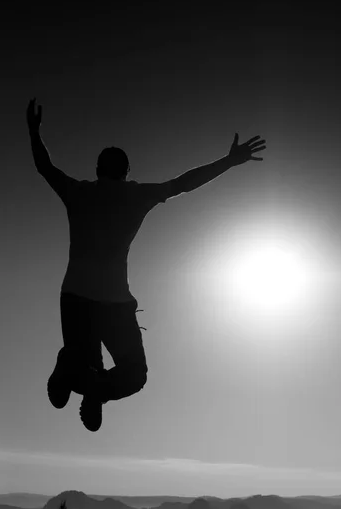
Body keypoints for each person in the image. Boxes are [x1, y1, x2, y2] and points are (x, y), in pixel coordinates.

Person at [26, 98, 266, 432]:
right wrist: (228, 161)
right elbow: (185, 182)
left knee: (86, 368)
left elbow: (44, 167)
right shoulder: (136, 196)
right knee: (134, 375)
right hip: (114, 306)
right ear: (127, 173)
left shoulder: (78, 192)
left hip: (77, 299)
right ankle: (87, 381)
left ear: (98, 170)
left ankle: (78, 373)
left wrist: (33, 131)